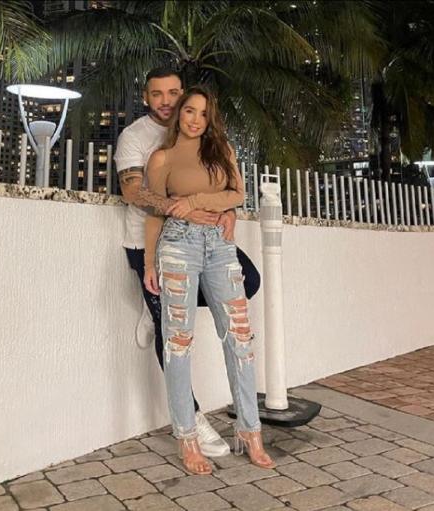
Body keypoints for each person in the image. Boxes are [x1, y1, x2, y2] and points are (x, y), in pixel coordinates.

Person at [114, 68, 261, 458]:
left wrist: (224, 210)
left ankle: (158, 307)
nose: (166, 101)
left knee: (249, 281)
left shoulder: (207, 141)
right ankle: (193, 420)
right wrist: (179, 208)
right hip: (150, 240)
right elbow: (132, 191)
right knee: (174, 336)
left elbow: (228, 189)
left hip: (206, 240)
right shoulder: (136, 137)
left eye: (173, 93)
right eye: (157, 94)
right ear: (146, 97)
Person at [142, 85, 275, 475]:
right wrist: (149, 263)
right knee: (178, 343)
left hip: (220, 245)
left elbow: (237, 194)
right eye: (189, 111)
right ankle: (187, 437)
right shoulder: (162, 157)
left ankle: (250, 430)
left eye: (203, 113)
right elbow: (156, 212)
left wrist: (196, 202)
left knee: (240, 339)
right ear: (179, 113)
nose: (195, 120)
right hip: (177, 245)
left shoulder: (222, 151)